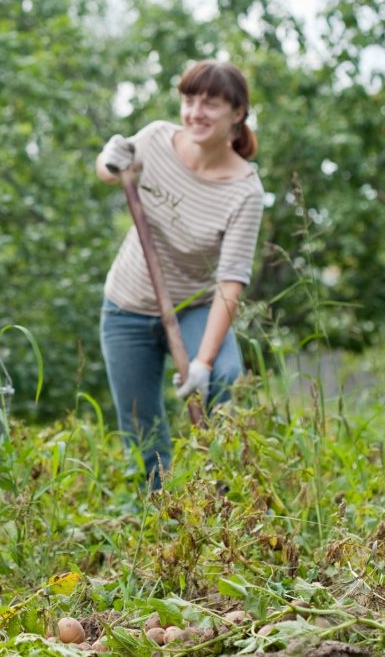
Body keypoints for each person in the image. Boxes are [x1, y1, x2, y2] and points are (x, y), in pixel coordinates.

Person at [95, 60, 264, 489]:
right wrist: (108, 159)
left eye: (211, 103)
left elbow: (230, 283)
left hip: (195, 307)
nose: (196, 112)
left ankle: (223, 503)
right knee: (141, 427)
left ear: (238, 112)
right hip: (127, 307)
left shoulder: (245, 191)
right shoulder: (155, 140)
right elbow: (110, 170)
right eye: (190, 100)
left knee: (225, 378)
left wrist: (204, 364)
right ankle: (161, 521)